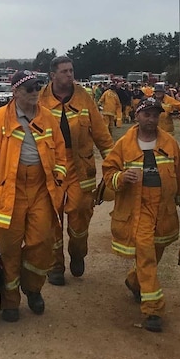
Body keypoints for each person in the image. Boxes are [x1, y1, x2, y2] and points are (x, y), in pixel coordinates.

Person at [0, 70, 68, 322]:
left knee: (41, 243)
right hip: (10, 192)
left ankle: (33, 289)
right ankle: (10, 302)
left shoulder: (46, 117)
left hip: (40, 189)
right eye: (29, 89)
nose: (35, 92)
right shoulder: (2, 118)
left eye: (37, 87)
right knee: (10, 250)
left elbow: (59, 150)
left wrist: (59, 174)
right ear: (16, 92)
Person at [101, 97, 180, 332]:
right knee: (146, 256)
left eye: (155, 115)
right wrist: (121, 178)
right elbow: (108, 173)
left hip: (163, 211)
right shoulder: (123, 145)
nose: (152, 119)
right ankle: (153, 310)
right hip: (138, 210)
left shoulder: (170, 144)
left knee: (157, 250)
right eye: (147, 114)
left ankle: (134, 281)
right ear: (137, 116)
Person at [39, 56, 114, 285]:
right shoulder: (40, 98)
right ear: (53, 75)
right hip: (50, 167)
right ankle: (55, 266)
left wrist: (113, 165)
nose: (69, 75)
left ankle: (78, 253)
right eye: (64, 71)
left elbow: (101, 134)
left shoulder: (84, 97)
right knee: (52, 219)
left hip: (80, 167)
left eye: (71, 70)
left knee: (80, 214)